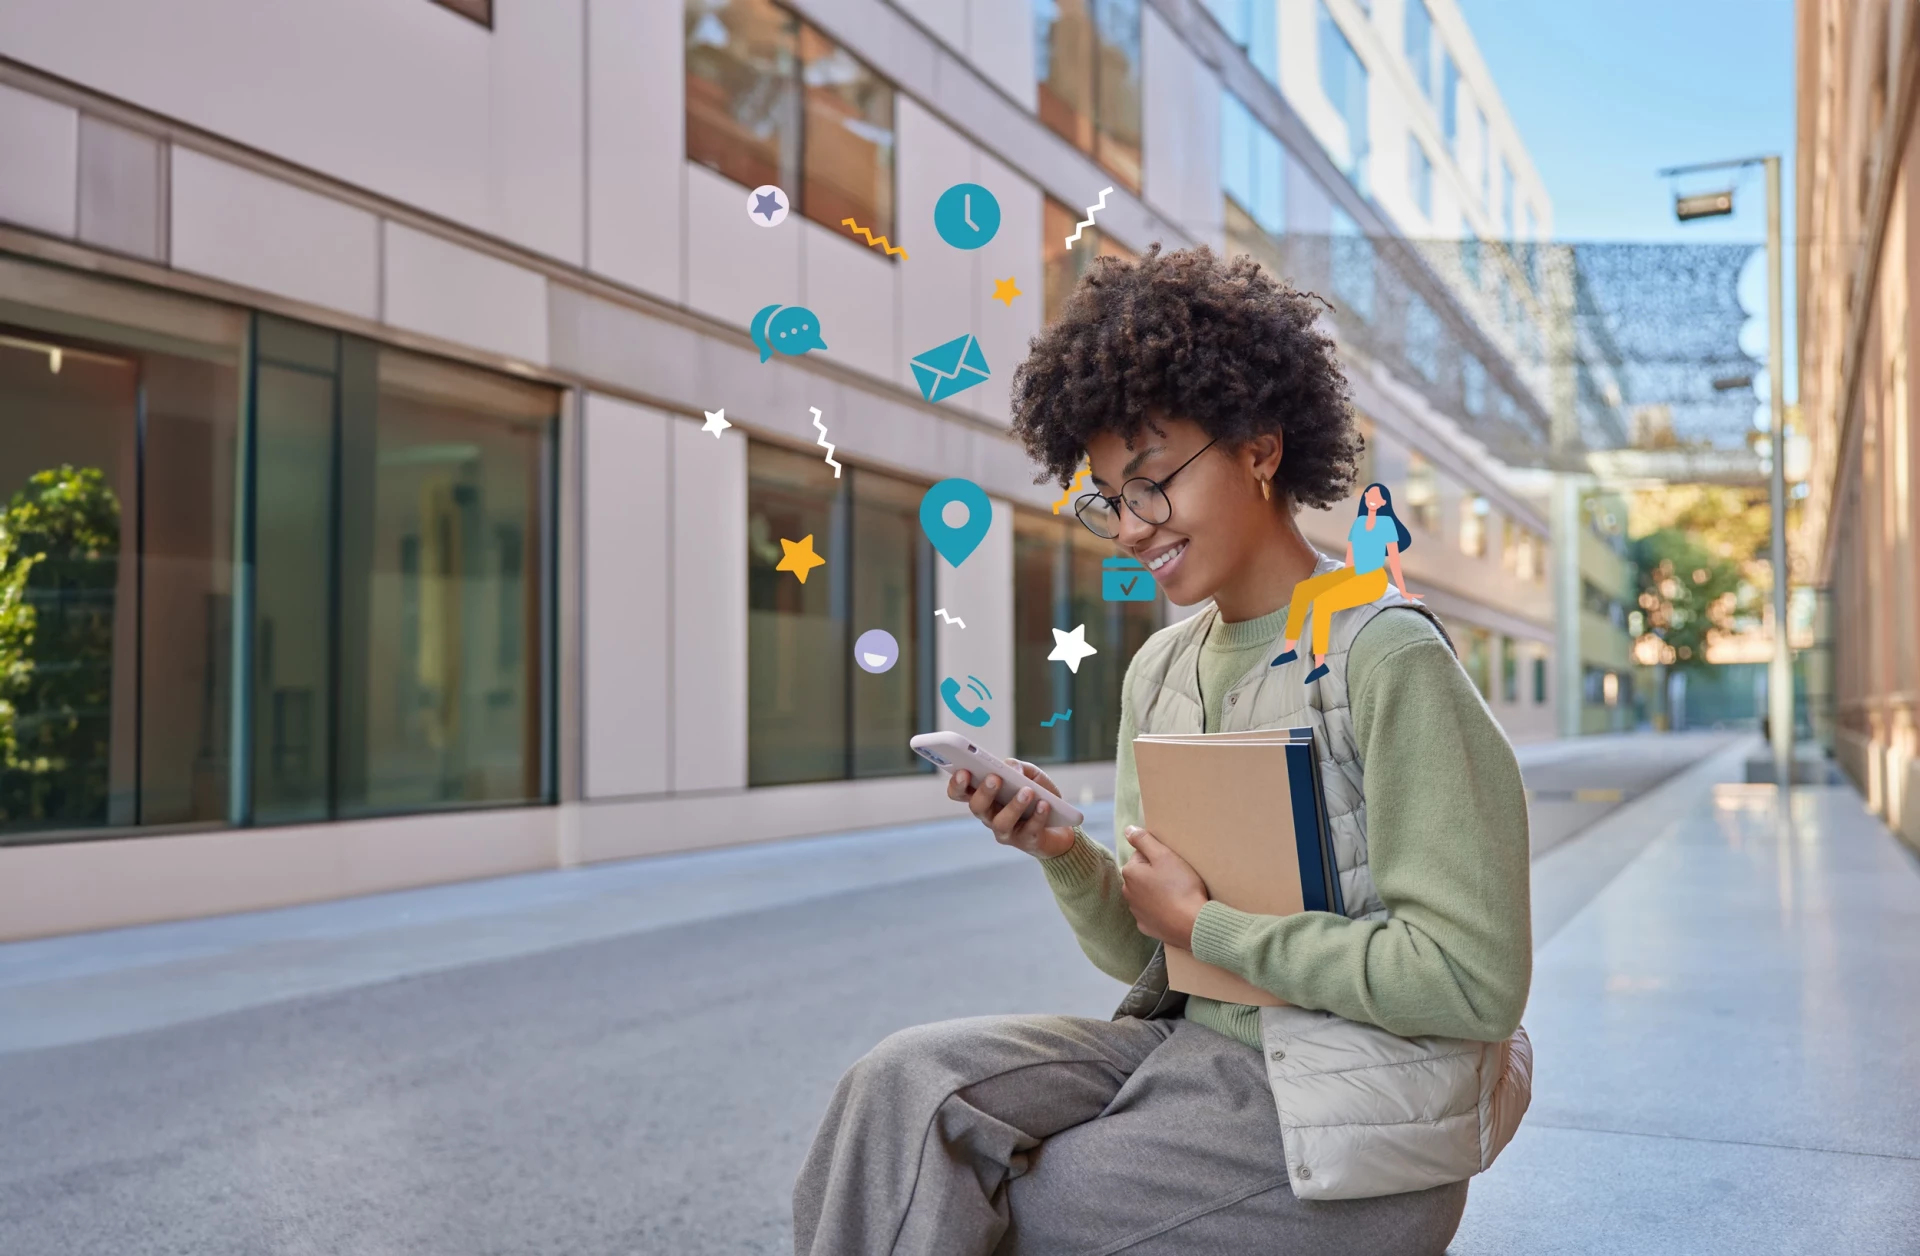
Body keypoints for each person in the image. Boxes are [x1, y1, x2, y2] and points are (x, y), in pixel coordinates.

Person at [793, 246, 1533, 1256]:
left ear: (1260, 449)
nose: (1134, 527)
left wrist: (1216, 925)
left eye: (1152, 484)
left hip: (1352, 1117)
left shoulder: (1386, 651)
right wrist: (1065, 852)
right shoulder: (1161, 671)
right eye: (1109, 498)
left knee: (1034, 1204)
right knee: (900, 1095)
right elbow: (1157, 953)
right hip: (1190, 1058)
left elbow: (1471, 978)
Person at [1273, 482, 1420, 683]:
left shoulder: (1386, 525)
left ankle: (1320, 664)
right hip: (1353, 573)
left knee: (1324, 602)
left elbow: (1393, 560)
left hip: (1373, 578)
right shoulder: (1359, 524)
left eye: (1376, 496)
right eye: (1369, 495)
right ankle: (1289, 649)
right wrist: (1340, 579)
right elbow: (1350, 558)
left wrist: (1404, 590)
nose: (1371, 499)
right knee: (1304, 589)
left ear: (1384, 502)